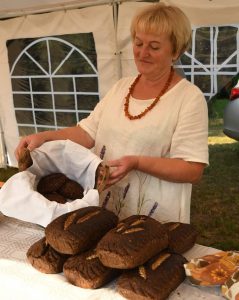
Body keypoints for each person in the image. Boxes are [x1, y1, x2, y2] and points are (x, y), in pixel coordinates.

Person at [15, 3, 208, 224]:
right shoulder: (121, 87)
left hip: (153, 220)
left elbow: (192, 169)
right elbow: (87, 133)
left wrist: (137, 162)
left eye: (154, 47)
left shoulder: (188, 98)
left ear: (176, 51)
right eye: (138, 43)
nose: (143, 53)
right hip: (105, 208)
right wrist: (44, 137)